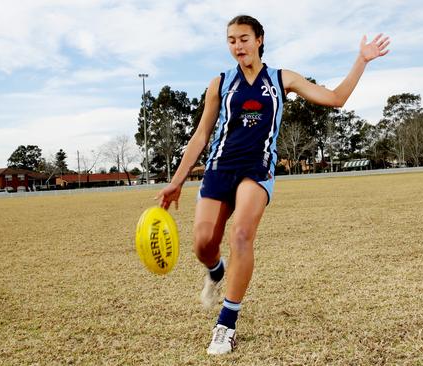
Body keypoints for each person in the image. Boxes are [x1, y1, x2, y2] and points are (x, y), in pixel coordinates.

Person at [155, 14, 390, 355]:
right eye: (232, 40)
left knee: (240, 235)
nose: (238, 46)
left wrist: (362, 60)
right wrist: (177, 181)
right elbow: (202, 134)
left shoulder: (282, 79)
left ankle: (226, 325)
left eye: (244, 38)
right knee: (203, 244)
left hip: (256, 169)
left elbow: (336, 98)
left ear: (260, 39)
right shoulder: (220, 84)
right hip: (220, 168)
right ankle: (216, 270)